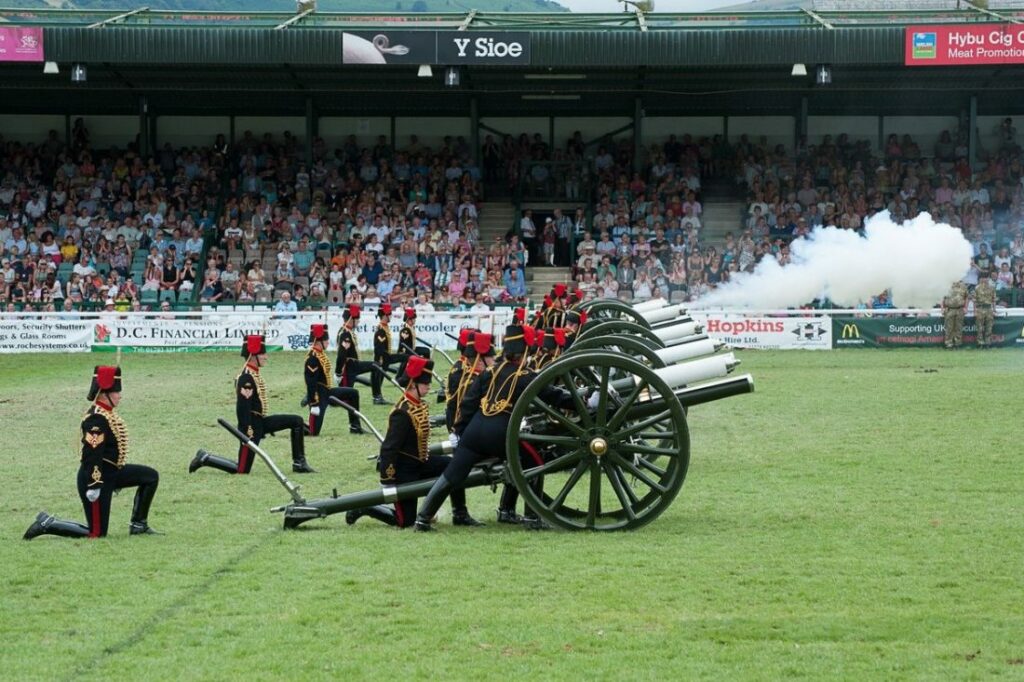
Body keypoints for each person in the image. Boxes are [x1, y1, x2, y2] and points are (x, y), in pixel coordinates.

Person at [414, 325, 574, 532]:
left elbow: (468, 404)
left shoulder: (489, 372)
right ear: (524, 352)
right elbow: (555, 396)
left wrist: (461, 432)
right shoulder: (526, 376)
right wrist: (586, 401)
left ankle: (423, 519)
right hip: (501, 434)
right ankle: (532, 518)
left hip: (474, 431)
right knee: (534, 463)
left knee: (452, 474)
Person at [344, 356, 483, 529]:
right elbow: (389, 448)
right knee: (405, 522)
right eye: (425, 383)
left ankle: (459, 513)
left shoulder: (418, 405)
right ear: (412, 384)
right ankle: (367, 507)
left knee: (455, 467)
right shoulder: (402, 413)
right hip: (403, 471)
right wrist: (387, 479)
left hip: (421, 462)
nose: (429, 385)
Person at [24, 366, 162, 539]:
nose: (120, 396)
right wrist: (94, 484)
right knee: (96, 533)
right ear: (106, 394)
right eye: (117, 392)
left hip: (112, 472)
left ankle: (138, 525)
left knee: (150, 477)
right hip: (97, 478)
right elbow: (92, 454)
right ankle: (48, 524)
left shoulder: (107, 413)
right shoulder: (96, 418)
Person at [190, 335, 315, 475]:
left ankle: (299, 463)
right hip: (250, 427)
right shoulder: (246, 377)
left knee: (296, 421)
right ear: (253, 355)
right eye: (262, 353)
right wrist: (247, 432)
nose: (266, 357)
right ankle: (205, 458)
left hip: (260, 422)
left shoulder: (253, 374)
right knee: (242, 470)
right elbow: (242, 409)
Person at [304, 323, 364, 436]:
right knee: (313, 432)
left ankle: (354, 426)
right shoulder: (312, 358)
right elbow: (311, 383)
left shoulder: (320, 354)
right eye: (326, 340)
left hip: (328, 392)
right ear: (319, 340)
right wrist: (313, 402)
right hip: (319, 397)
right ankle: (297, 424)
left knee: (353, 393)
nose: (328, 342)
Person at [335, 305, 376, 389]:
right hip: (348, 368)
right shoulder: (345, 333)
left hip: (354, 365)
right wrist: (338, 373)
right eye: (357, 319)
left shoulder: (348, 331)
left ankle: (377, 395)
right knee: (346, 398)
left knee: (376, 366)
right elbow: (341, 355)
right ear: (351, 318)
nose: (358, 321)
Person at [371, 304, 402, 405]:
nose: (391, 316)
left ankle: (378, 397)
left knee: (380, 377)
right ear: (385, 315)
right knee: (378, 377)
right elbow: (379, 347)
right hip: (382, 357)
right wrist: (380, 359)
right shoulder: (381, 329)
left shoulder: (385, 327)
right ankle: (377, 397)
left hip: (385, 357)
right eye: (389, 314)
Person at [941, 281, 968, 349]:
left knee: (959, 327)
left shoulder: (963, 286)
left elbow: (966, 297)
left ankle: (958, 343)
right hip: (949, 309)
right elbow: (942, 298)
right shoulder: (946, 285)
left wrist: (966, 308)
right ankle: (948, 343)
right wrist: (942, 308)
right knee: (949, 328)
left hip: (960, 309)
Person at [973, 275, 996, 348]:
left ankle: (987, 343)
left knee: (989, 326)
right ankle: (980, 343)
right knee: (979, 327)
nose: (984, 280)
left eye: (986, 278)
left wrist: (994, 310)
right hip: (980, 309)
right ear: (980, 279)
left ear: (988, 279)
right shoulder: (977, 288)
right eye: (983, 278)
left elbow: (994, 299)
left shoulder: (991, 288)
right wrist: (975, 311)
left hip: (989, 309)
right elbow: (974, 300)